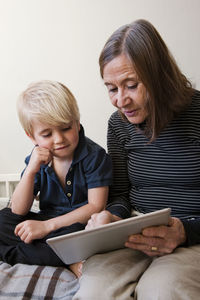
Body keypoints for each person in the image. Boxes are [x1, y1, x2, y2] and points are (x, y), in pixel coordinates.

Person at [73, 19, 200, 299]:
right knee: (94, 291)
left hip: (190, 238)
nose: (120, 100)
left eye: (130, 85)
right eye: (111, 88)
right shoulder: (118, 125)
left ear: (160, 76)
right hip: (132, 235)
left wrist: (185, 231)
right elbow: (120, 194)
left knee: (162, 289)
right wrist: (111, 216)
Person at [0, 80, 112, 278]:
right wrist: (31, 171)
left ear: (77, 123)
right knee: (3, 219)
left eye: (65, 128)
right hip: (46, 223)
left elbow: (96, 207)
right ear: (32, 136)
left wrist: (46, 227)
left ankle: (23, 254)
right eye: (47, 134)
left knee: (78, 238)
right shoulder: (37, 159)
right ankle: (63, 257)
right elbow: (18, 210)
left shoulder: (95, 156)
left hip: (78, 225)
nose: (59, 139)